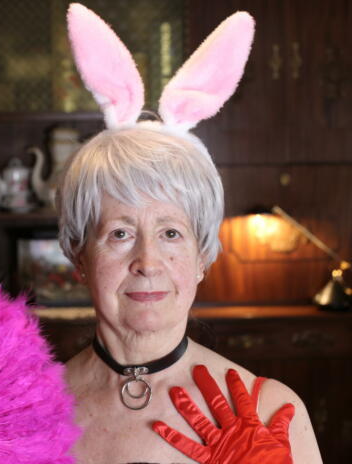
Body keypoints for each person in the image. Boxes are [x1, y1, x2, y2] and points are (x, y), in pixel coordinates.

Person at [59, 3, 322, 463]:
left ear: (203, 256)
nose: (147, 262)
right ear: (79, 255)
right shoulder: (22, 409)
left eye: (172, 234)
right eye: (119, 233)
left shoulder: (272, 414)